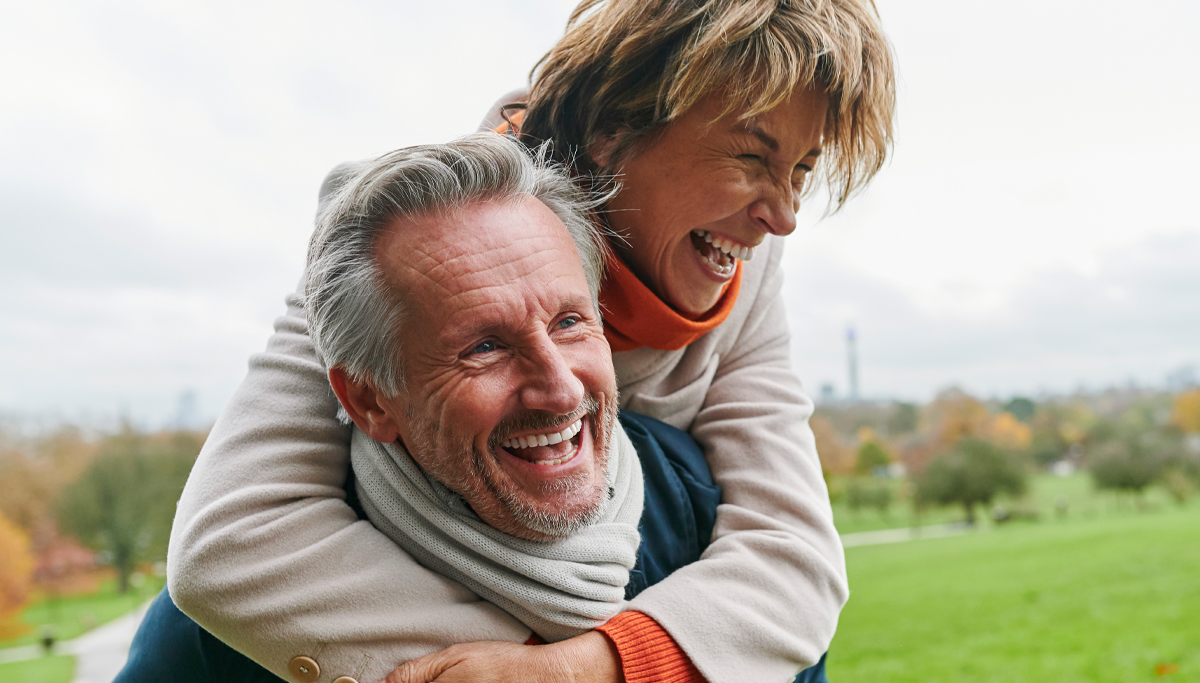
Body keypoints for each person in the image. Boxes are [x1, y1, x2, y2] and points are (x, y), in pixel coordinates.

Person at [166, 1, 896, 681]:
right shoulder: (407, 236)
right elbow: (234, 538)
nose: (785, 216)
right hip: (402, 565)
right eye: (752, 158)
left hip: (602, 598)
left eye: (802, 169)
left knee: (672, 477)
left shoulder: (750, 265)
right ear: (613, 129)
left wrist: (587, 667)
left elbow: (794, 551)